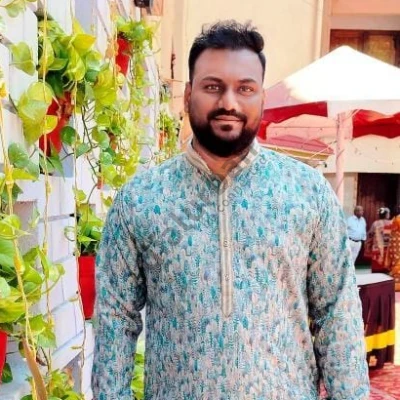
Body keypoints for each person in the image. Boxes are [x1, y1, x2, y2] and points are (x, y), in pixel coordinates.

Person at [91, 20, 369, 399]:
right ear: (188, 95)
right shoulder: (141, 199)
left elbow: (336, 314)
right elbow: (115, 320)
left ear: (262, 98)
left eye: (245, 89)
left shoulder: (307, 192)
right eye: (212, 86)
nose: (229, 103)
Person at [365, 207, 392, 272]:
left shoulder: (375, 223)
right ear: (386, 214)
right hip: (388, 249)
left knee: (376, 268)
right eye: (388, 213)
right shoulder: (391, 223)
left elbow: (370, 235)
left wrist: (368, 247)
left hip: (377, 249)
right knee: (387, 269)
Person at [385, 205, 400, 290]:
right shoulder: (398, 219)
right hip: (398, 244)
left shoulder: (394, 219)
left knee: (395, 261)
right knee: (398, 262)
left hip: (394, 244)